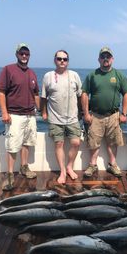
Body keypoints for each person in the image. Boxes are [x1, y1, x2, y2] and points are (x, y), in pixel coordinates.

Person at [81, 47, 127, 177]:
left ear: (112, 59)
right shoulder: (92, 75)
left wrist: (124, 113)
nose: (105, 59)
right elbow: (85, 93)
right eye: (103, 57)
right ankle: (92, 165)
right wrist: (86, 113)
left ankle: (113, 165)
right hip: (95, 115)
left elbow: (126, 93)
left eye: (108, 56)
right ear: (99, 59)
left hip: (114, 115)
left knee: (113, 142)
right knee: (93, 142)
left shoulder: (119, 75)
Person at [0, 43, 40, 191]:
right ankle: (9, 176)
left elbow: (36, 93)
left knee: (27, 143)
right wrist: (4, 112)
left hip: (30, 115)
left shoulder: (32, 73)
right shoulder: (8, 69)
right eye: (21, 53)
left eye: (26, 54)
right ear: (17, 54)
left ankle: (24, 167)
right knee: (12, 146)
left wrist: (40, 108)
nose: (24, 56)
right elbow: (1, 92)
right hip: (14, 115)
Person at [41, 50, 82, 184]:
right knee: (59, 143)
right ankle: (63, 171)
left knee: (76, 142)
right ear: (55, 60)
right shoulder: (48, 76)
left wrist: (82, 112)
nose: (62, 61)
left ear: (68, 61)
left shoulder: (75, 75)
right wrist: (44, 112)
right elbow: (43, 97)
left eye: (65, 59)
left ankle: (69, 166)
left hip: (73, 118)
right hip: (55, 118)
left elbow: (80, 96)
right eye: (59, 59)